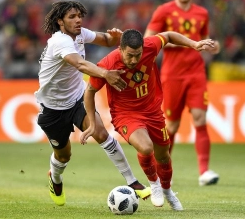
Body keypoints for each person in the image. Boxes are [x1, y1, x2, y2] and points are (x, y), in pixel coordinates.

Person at [80, 29, 216, 210]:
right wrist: (91, 122)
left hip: (152, 111)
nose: (134, 60)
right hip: (125, 114)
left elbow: (168, 36)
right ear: (120, 49)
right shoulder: (108, 64)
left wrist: (193, 44)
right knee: (145, 147)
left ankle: (167, 191)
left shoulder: (151, 46)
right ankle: (154, 185)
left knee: (164, 156)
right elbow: (89, 92)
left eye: (138, 55)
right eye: (130, 55)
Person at [35, 1, 151, 206]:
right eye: (72, 17)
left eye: (79, 15)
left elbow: (106, 40)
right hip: (52, 108)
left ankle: (133, 182)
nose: (78, 19)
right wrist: (106, 74)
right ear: (60, 21)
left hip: (77, 99)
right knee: (63, 156)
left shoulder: (80, 34)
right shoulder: (59, 42)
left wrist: (118, 37)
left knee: (101, 133)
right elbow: (79, 64)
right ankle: (55, 178)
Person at [144, 0, 220, 186]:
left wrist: (212, 46)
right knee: (173, 127)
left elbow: (204, 38)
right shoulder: (164, 11)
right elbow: (150, 40)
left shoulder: (202, 13)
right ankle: (162, 169)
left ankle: (204, 171)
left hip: (196, 73)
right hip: (172, 75)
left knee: (200, 119)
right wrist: (186, 42)